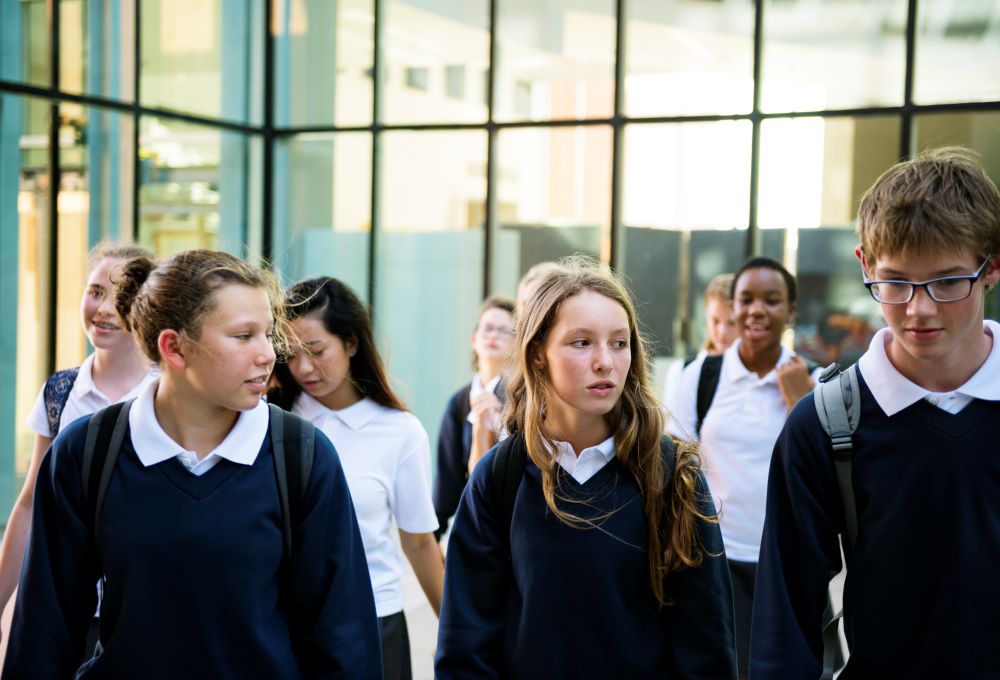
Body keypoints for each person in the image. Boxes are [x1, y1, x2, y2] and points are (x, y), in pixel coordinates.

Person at [3, 250, 381, 678]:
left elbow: (344, 639)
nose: (268, 354)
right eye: (243, 336)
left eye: (267, 334)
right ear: (174, 347)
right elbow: (43, 635)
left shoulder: (303, 454)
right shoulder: (87, 451)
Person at [751, 147, 1000, 678]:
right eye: (896, 282)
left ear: (992, 268)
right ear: (864, 264)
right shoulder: (824, 424)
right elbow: (784, 621)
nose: (920, 309)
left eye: (948, 281)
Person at [436, 257, 736, 679]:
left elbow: (707, 648)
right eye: (581, 343)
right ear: (538, 354)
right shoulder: (498, 478)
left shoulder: (673, 475)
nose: (605, 362)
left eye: (619, 343)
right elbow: (465, 648)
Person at [268, 277, 442, 680]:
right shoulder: (270, 421)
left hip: (374, 621)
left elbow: (418, 542)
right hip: (285, 622)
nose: (304, 368)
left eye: (316, 351)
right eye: (291, 355)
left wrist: (456, 633)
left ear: (351, 343)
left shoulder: (399, 431)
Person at [665, 256, 817, 679]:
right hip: (714, 560)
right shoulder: (700, 377)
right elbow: (673, 465)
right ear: (732, 308)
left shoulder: (816, 384)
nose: (756, 310)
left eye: (772, 300)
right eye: (746, 299)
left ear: (790, 311)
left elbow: (820, 479)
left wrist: (798, 401)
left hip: (785, 566)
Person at [0, 241, 158, 636]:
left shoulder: (169, 392)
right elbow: (32, 503)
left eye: (121, 295)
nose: (104, 309)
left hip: (146, 610)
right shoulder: (62, 389)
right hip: (65, 605)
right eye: (95, 292)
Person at [434, 295, 516, 537]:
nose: (494, 336)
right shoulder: (458, 403)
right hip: (472, 526)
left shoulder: (522, 400)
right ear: (474, 338)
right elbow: (446, 484)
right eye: (488, 328)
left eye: (504, 331)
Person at [663, 272, 737, 410]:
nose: (722, 331)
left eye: (732, 323)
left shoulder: (757, 375)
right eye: (715, 321)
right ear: (705, 318)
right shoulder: (682, 371)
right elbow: (673, 430)